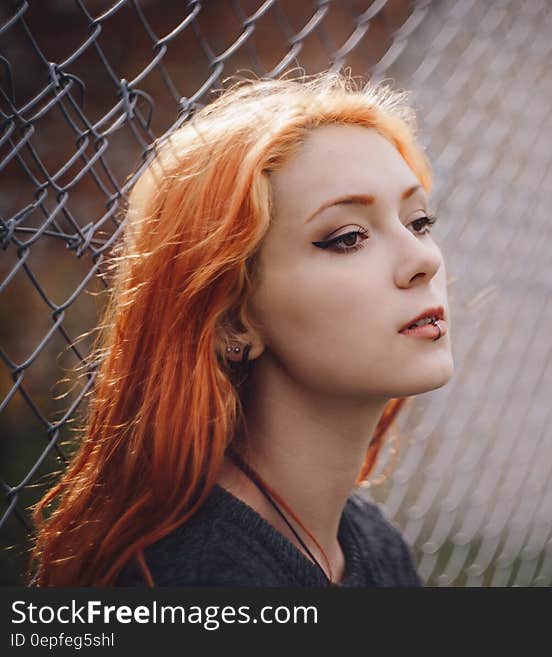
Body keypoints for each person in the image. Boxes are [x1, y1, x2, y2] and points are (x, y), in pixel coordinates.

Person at [27, 71, 454, 587]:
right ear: (233, 318)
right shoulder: (191, 583)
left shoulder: (376, 547)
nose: (421, 259)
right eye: (347, 238)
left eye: (419, 222)